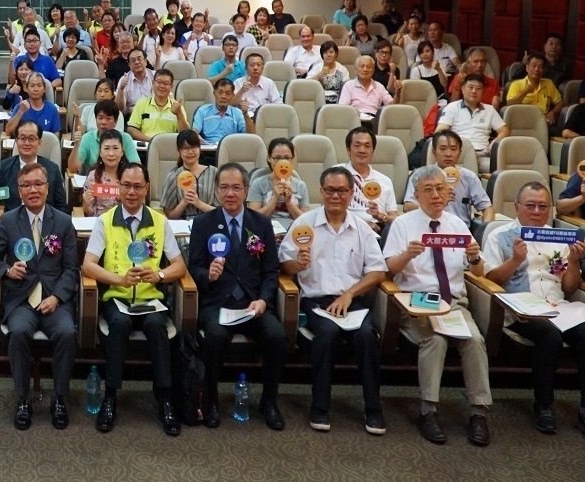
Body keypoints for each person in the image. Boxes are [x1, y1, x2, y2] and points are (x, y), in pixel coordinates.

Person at [383, 165, 492, 446]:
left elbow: (478, 272)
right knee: (435, 340)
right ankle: (428, 411)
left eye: (440, 189)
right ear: (417, 195)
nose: (435, 195)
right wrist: (408, 254)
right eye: (428, 190)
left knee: (475, 340)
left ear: (449, 193)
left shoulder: (458, 225)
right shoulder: (403, 225)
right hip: (417, 303)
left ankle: (479, 413)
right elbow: (387, 270)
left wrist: (476, 258)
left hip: (453, 304)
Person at [278, 166, 388, 434]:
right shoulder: (304, 224)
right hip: (315, 302)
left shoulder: (361, 229)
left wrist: (350, 294)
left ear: (352, 193)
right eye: (330, 190)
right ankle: (320, 407)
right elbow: (284, 264)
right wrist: (297, 264)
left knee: (366, 337)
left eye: (341, 190)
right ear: (321, 192)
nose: (335, 195)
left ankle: (373, 409)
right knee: (326, 334)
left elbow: (378, 270)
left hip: (352, 302)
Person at [82, 161, 188, 435]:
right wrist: (119, 279)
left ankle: (165, 398)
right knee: (119, 325)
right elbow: (88, 264)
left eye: (137, 186)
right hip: (117, 299)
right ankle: (111, 396)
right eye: (126, 185)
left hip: (151, 298)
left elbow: (179, 265)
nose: (131, 192)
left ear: (146, 188)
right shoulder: (105, 221)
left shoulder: (159, 221)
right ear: (118, 188)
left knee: (156, 327)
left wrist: (160, 276)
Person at [0, 162, 78, 430]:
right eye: (26, 186)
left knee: (67, 333)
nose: (33, 190)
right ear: (18, 191)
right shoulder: (9, 221)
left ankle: (59, 398)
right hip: (21, 300)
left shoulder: (64, 221)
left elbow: (71, 269)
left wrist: (57, 297)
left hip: (54, 300)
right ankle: (23, 399)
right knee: (19, 332)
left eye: (38, 184)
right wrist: (8, 270)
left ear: (47, 188)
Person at [189, 162, 287, 429]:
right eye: (224, 187)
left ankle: (269, 402)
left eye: (235, 188)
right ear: (217, 191)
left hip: (252, 303)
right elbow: (193, 267)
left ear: (245, 190)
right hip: (218, 302)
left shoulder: (262, 224)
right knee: (216, 337)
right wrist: (207, 275)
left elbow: (271, 271)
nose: (229, 193)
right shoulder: (203, 223)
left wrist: (264, 300)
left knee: (277, 336)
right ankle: (210, 402)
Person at [483, 182, 585, 435]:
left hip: (557, 306)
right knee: (548, 336)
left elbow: (569, 286)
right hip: (519, 308)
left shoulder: (557, 238)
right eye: (530, 206)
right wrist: (516, 260)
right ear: (517, 207)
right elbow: (490, 281)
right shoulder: (500, 236)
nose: (536, 212)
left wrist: (573, 261)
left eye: (542, 206)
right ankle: (544, 406)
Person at [404, 130, 494, 224]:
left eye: (453, 149)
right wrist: (433, 203)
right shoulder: (420, 176)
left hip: (460, 231)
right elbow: (407, 207)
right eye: (443, 149)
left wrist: (486, 229)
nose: (448, 154)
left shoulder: (469, 177)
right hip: (427, 228)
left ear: (460, 153)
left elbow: (487, 207)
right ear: (434, 152)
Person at [0, 120, 67, 218]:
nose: (26, 143)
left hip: (46, 223)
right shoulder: (6, 167)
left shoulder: (52, 169)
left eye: (31, 139)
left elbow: (61, 205)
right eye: (22, 138)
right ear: (16, 141)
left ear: (39, 142)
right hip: (14, 223)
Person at [435, 74, 507, 164]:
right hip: (459, 154)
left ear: (483, 92)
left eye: (478, 88)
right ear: (463, 89)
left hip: (482, 155)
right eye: (470, 87)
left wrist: (493, 144)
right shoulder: (452, 107)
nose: (474, 91)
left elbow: (504, 131)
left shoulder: (489, 110)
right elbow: (440, 131)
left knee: (500, 168)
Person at [341, 127, 399, 234]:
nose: (362, 150)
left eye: (367, 146)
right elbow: (327, 210)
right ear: (348, 150)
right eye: (357, 146)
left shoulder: (384, 181)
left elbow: (396, 220)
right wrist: (362, 224)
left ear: (373, 151)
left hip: (378, 228)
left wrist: (380, 216)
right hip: (346, 227)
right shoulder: (338, 175)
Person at [67, 99, 138, 176]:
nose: (103, 122)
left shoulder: (125, 138)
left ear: (115, 121)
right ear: (96, 119)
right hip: (93, 184)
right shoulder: (87, 138)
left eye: (108, 118)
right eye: (100, 118)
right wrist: (77, 145)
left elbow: (136, 167)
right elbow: (73, 168)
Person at [249, 138, 309, 227]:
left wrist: (289, 203)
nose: (282, 162)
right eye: (277, 158)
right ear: (269, 158)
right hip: (266, 230)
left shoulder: (300, 185)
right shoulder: (258, 183)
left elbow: (306, 220)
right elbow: (252, 218)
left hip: (293, 232)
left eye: (287, 158)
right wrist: (275, 199)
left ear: (292, 159)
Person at [160, 129, 218, 218]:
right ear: (179, 151)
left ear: (199, 148)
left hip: (209, 222)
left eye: (194, 147)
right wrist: (184, 202)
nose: (190, 152)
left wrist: (199, 204)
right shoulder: (173, 176)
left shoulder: (214, 173)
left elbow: (221, 212)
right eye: (185, 148)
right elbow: (170, 216)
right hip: (182, 225)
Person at [126, 68, 189, 142]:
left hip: (170, 148)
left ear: (171, 87)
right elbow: (131, 129)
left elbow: (186, 135)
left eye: (166, 83)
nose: (162, 86)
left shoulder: (178, 108)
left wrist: (179, 115)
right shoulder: (141, 104)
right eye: (159, 82)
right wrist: (152, 141)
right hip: (146, 147)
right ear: (152, 83)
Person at [502, 51, 562, 125]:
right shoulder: (516, 84)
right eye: (533, 66)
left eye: (540, 67)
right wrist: (524, 92)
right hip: (522, 121)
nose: (536, 69)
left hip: (543, 121)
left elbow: (560, 103)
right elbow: (509, 105)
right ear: (527, 68)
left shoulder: (548, 83)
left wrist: (552, 112)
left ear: (543, 70)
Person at [80, 129, 127, 217]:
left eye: (116, 148)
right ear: (100, 152)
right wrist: (86, 204)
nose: (111, 153)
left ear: (122, 152)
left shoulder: (129, 176)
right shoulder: (93, 177)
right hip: (99, 225)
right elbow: (89, 213)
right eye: (106, 148)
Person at [192, 78, 246, 146]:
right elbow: (195, 131)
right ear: (214, 93)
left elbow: (250, 135)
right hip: (208, 151)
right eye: (220, 92)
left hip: (231, 151)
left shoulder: (237, 113)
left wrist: (246, 115)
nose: (223, 96)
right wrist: (195, 136)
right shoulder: (203, 111)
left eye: (227, 93)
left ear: (232, 96)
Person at [4, 71, 59, 137]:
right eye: (32, 86)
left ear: (44, 89)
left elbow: (56, 137)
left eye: (39, 85)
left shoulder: (52, 109)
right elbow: (8, 131)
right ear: (27, 89)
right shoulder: (20, 107)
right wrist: (21, 112)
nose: (36, 89)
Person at [339, 55, 393, 120]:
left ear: (373, 70)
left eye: (369, 67)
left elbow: (391, 106)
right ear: (356, 69)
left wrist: (398, 93)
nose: (365, 69)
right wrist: (354, 112)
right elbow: (343, 108)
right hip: (355, 119)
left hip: (374, 120)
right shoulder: (349, 85)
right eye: (362, 66)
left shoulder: (379, 86)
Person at [231, 52, 280, 120]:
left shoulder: (269, 83)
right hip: (243, 118)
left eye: (258, 65)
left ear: (263, 68)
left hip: (264, 119)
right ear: (246, 68)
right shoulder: (238, 83)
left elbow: (278, 105)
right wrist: (241, 91)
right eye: (252, 65)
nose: (255, 68)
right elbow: (230, 104)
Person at [308, 40, 350, 104]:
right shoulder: (316, 68)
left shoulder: (342, 69)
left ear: (336, 54)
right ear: (322, 55)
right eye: (325, 52)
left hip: (338, 102)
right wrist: (321, 74)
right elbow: (307, 84)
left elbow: (347, 88)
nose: (328, 55)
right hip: (319, 100)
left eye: (331, 52)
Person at [115, 49, 154, 117]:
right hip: (132, 117)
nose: (137, 62)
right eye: (133, 60)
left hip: (153, 115)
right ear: (129, 65)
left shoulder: (155, 76)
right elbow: (119, 109)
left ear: (145, 61)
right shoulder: (124, 80)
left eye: (139, 59)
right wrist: (121, 89)